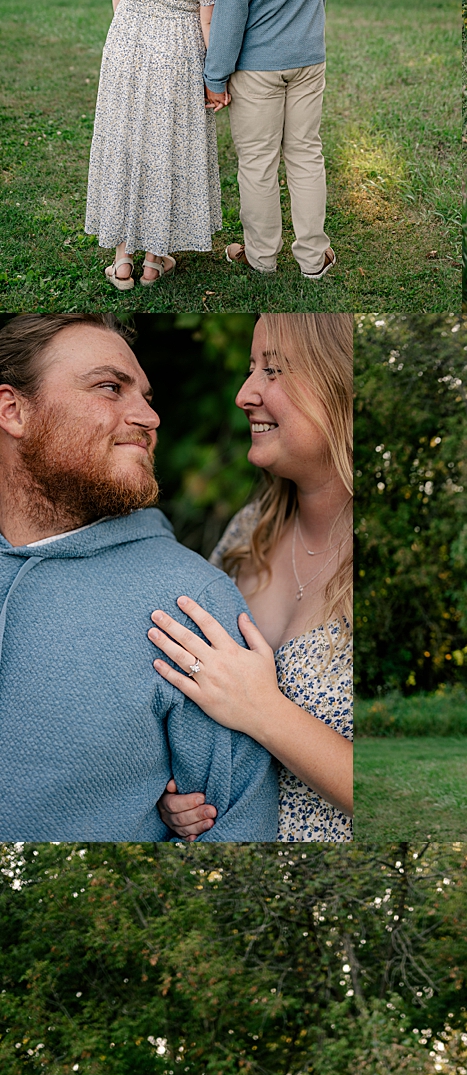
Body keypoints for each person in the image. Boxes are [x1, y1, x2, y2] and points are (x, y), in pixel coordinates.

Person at [0, 314, 278, 842]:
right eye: (110, 387)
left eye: (146, 397)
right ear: (13, 410)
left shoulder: (190, 605)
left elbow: (239, 825)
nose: (149, 417)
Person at [149, 315, 354, 843]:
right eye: (250, 368)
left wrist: (264, 710)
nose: (244, 395)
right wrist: (175, 797)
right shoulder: (248, 534)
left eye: (273, 370)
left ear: (342, 384)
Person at [84, 0, 224, 291]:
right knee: (166, 147)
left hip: (126, 44)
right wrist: (216, 77)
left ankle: (123, 260)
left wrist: (125, 22)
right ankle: (152, 260)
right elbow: (207, 21)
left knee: (126, 142)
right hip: (176, 53)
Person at [203, 0, 334, 280]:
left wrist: (215, 77)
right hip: (309, 59)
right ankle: (313, 259)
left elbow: (230, 15)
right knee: (306, 156)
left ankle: (261, 258)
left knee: (258, 164)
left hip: (258, 68)